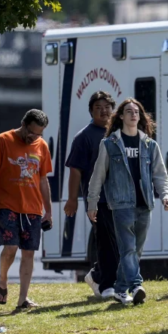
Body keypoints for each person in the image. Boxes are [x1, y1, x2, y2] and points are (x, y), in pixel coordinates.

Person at [88, 99, 168, 305]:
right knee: (127, 248)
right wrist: (92, 203)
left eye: (137, 112)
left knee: (137, 250)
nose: (133, 115)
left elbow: (159, 174)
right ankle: (136, 285)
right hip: (121, 203)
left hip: (145, 203)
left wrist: (165, 195)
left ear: (140, 117)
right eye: (129, 111)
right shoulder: (109, 144)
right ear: (121, 117)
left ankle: (120, 289)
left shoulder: (150, 145)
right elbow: (97, 176)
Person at [0, 109, 53, 309]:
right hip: (6, 204)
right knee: (11, 247)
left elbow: (42, 180)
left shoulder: (42, 146)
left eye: (39, 134)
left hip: (32, 207)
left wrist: (48, 210)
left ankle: (23, 299)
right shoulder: (3, 140)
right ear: (23, 124)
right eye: (31, 132)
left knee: (29, 252)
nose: (34, 137)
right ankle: (3, 281)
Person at [64, 91, 117, 299]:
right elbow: (75, 170)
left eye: (107, 107)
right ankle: (105, 285)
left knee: (119, 242)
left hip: (120, 199)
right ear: (91, 111)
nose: (103, 111)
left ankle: (96, 274)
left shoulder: (119, 133)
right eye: (98, 108)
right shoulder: (84, 137)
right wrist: (72, 199)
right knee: (106, 241)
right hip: (98, 199)